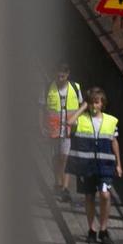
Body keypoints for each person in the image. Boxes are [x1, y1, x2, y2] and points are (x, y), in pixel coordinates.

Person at [69, 87, 123, 244]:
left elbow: (114, 142)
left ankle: (104, 229)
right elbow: (69, 122)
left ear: (102, 104)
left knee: (105, 195)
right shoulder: (82, 119)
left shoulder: (110, 121)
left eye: (97, 103)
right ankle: (92, 229)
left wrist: (118, 164)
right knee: (89, 197)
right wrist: (82, 107)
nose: (94, 106)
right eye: (91, 103)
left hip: (105, 166)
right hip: (87, 166)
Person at [45, 63, 84, 205]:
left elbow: (81, 106)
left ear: (68, 75)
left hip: (69, 130)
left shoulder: (75, 88)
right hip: (53, 129)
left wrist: (76, 122)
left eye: (63, 76)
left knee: (65, 158)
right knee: (56, 158)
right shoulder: (48, 87)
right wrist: (40, 125)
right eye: (58, 75)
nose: (60, 78)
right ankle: (57, 183)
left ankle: (65, 188)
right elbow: (42, 107)